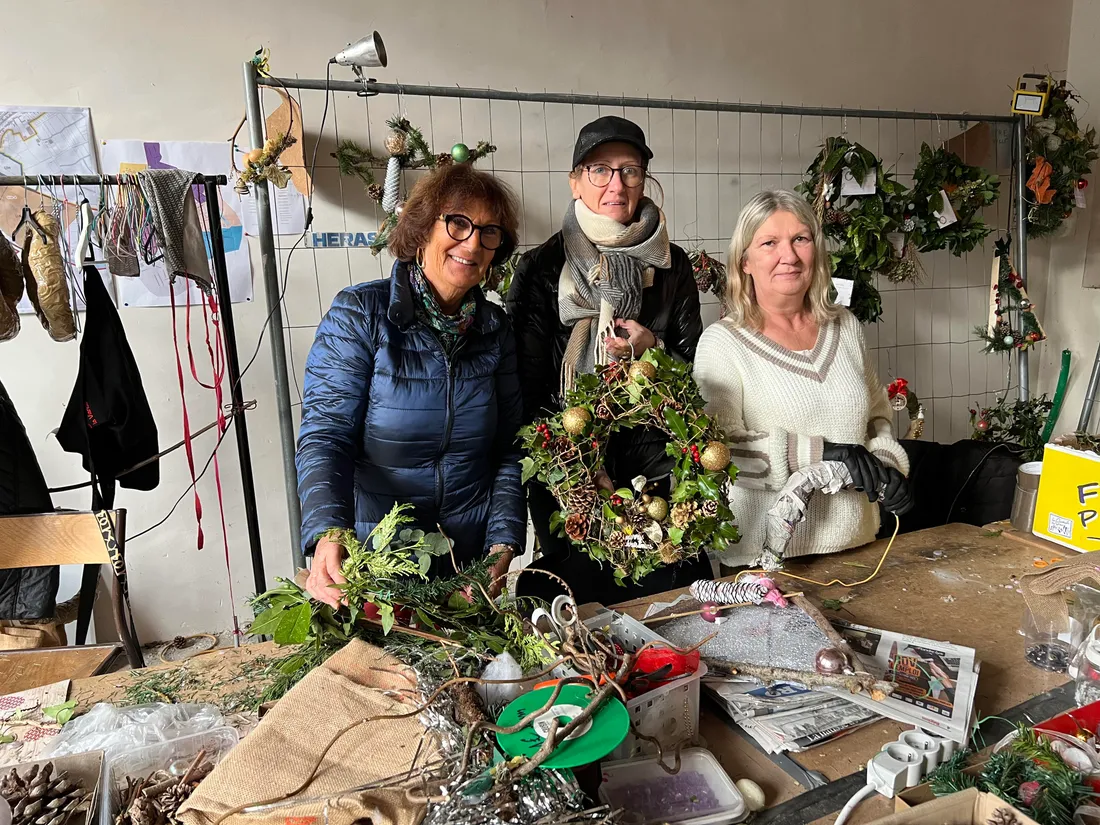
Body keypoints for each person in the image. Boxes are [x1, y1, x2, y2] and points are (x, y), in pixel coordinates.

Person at [297, 163, 526, 607]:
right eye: (458, 223)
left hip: (467, 563)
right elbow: (326, 437)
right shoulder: (361, 314)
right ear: (422, 229)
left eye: (489, 231)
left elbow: (510, 449)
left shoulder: (495, 329)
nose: (473, 243)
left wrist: (502, 547)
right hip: (376, 558)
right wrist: (328, 534)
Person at [507, 115, 709, 604]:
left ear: (644, 179)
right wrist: (577, 464)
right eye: (599, 169)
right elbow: (526, 388)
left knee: (663, 596)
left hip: (655, 465)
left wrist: (651, 353)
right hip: (568, 473)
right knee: (581, 600)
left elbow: (697, 371)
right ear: (575, 180)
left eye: (630, 170)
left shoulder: (672, 265)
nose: (615, 184)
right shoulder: (542, 268)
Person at [693, 190, 914, 570]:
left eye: (801, 239)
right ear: (745, 261)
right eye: (769, 243)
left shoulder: (845, 326)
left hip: (860, 546)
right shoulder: (722, 343)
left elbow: (877, 416)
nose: (789, 256)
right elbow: (717, 453)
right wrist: (823, 453)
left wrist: (886, 465)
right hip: (765, 563)